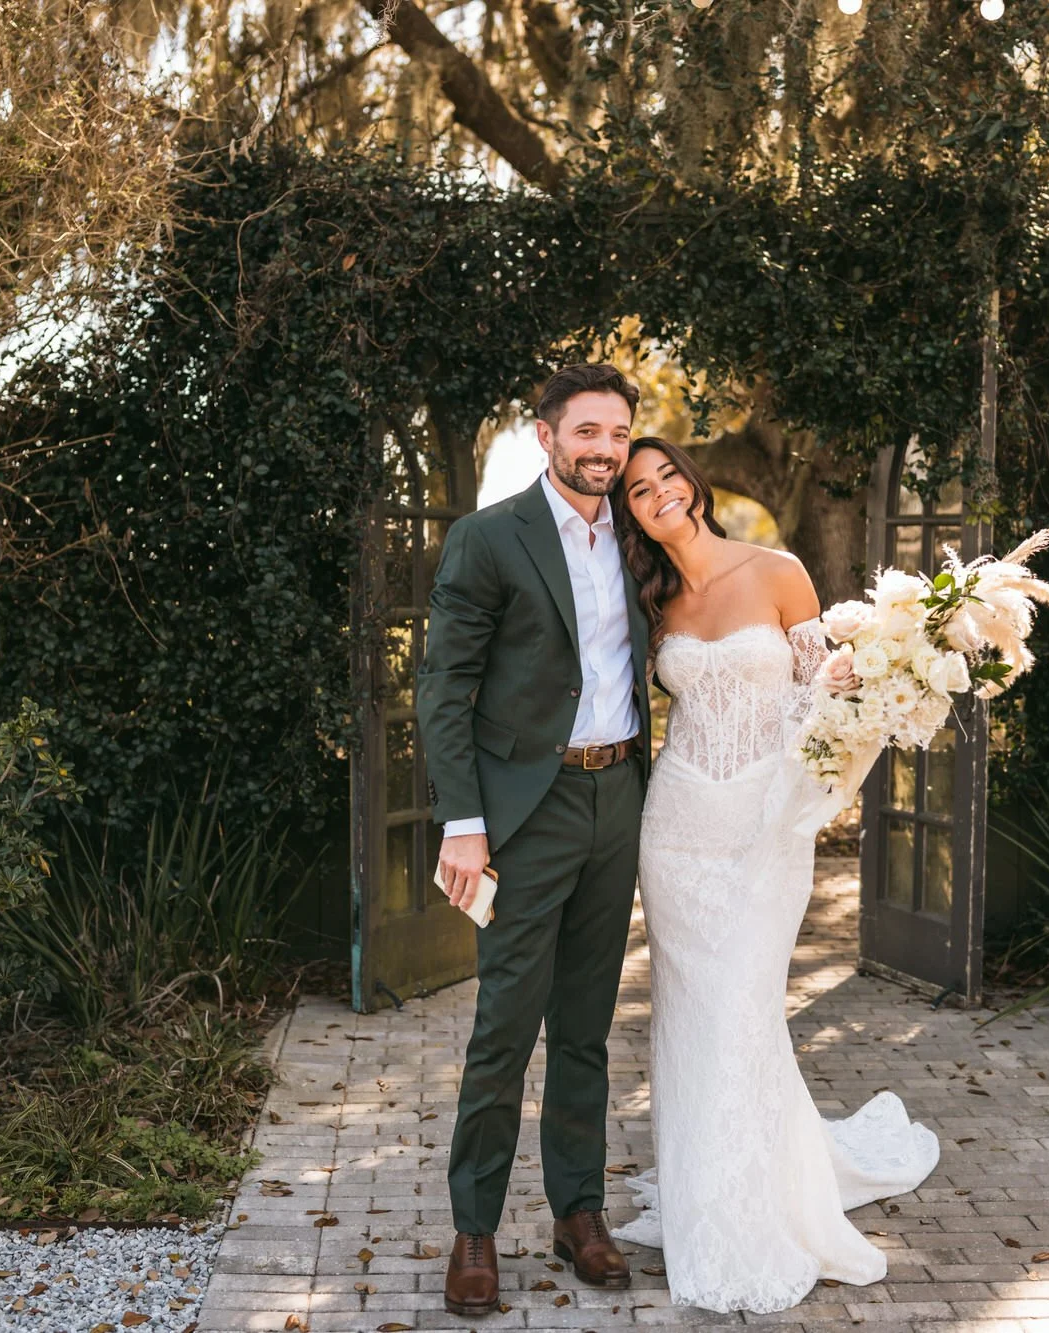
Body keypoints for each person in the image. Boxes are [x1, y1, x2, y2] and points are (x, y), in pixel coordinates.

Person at [606, 434, 941, 1313]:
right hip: (677, 829)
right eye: (639, 490)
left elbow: (821, 701)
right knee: (692, 1012)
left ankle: (757, 1202)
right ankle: (706, 1191)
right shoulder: (651, 601)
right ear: (631, 512)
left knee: (743, 1008)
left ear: (693, 481)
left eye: (666, 475)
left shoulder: (779, 568)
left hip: (766, 824)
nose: (658, 493)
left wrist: (857, 675)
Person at [415, 364, 648, 1316]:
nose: (604, 449)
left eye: (619, 434)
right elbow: (444, 687)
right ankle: (474, 1228)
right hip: (526, 809)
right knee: (506, 1026)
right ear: (547, 434)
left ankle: (578, 1212)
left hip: (619, 795)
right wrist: (463, 823)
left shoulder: (640, 536)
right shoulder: (488, 538)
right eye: (587, 431)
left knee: (588, 1027)